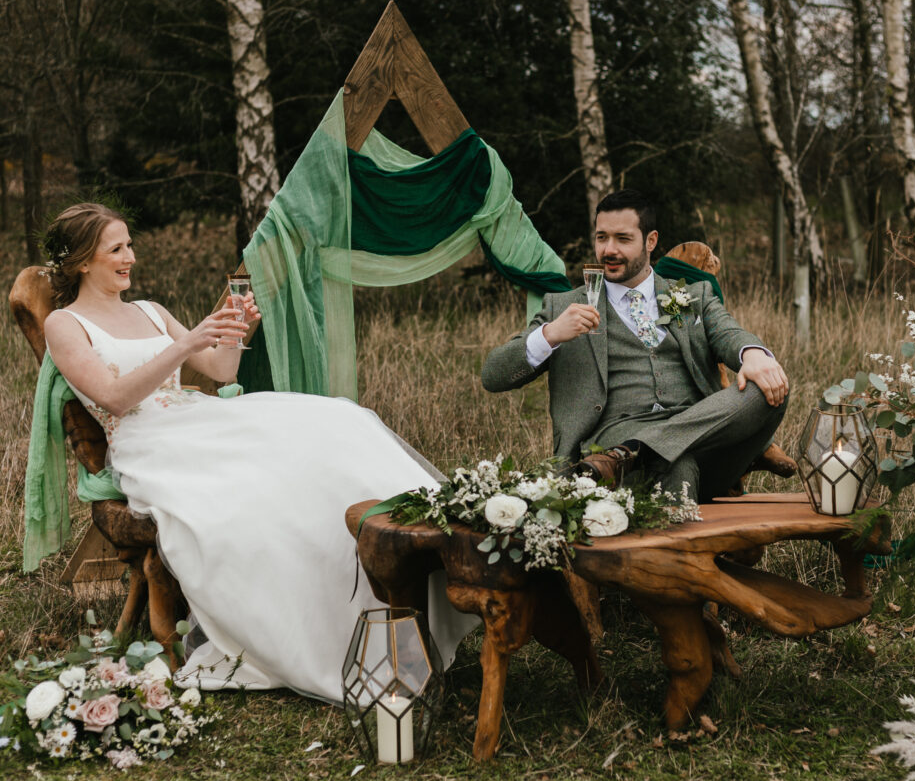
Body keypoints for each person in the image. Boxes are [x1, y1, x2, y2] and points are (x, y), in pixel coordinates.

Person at [39, 202, 476, 701]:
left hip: (197, 419)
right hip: (149, 444)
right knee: (260, 494)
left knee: (336, 424)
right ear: (81, 262)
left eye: (129, 245)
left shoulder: (150, 311)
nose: (130, 257)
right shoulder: (65, 325)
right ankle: (324, 638)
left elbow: (221, 371)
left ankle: (415, 577)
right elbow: (113, 397)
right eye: (116, 249)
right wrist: (183, 347)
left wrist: (235, 331)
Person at [481, 189, 790, 502]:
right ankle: (633, 457)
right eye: (602, 238)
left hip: (705, 444)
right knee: (675, 464)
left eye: (623, 239)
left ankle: (634, 451)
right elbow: (493, 376)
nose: (609, 250)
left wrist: (753, 354)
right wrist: (549, 334)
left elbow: (729, 333)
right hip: (613, 440)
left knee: (772, 385)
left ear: (651, 241)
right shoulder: (563, 306)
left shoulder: (694, 295)